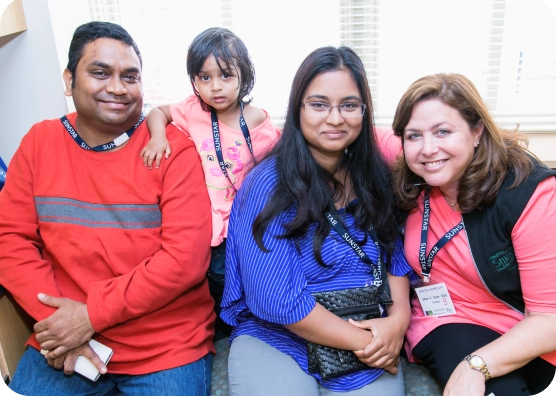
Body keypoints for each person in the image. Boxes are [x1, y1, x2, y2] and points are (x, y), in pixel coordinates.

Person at [0, 21, 215, 395]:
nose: (117, 87)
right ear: (69, 81)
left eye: (130, 76)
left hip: (164, 344)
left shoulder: (171, 150)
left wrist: (90, 315)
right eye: (100, 73)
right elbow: (9, 239)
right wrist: (61, 324)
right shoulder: (39, 143)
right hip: (63, 331)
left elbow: (185, 261)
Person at [221, 46, 413, 395]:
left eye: (349, 105)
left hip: (365, 319)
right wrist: (368, 343)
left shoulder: (375, 175)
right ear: (298, 110)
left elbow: (394, 257)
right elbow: (276, 299)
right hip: (279, 334)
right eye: (319, 104)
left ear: (364, 111)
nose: (336, 118)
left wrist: (398, 322)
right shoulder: (268, 184)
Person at [392, 73, 556, 395]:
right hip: (447, 321)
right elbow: (345, 129)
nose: (427, 149)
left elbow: (549, 319)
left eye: (443, 131)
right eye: (413, 136)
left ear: (477, 131)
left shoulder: (527, 195)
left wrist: (476, 364)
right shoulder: (411, 180)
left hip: (527, 324)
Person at [140, 27, 281, 340]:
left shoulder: (257, 119)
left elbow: (273, 170)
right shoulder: (193, 109)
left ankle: (250, 321)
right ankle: (224, 323)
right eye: (205, 77)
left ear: (245, 76)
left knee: (246, 275)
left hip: (243, 220)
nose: (215, 87)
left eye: (226, 76)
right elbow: (155, 113)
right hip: (206, 221)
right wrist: (159, 136)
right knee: (214, 273)